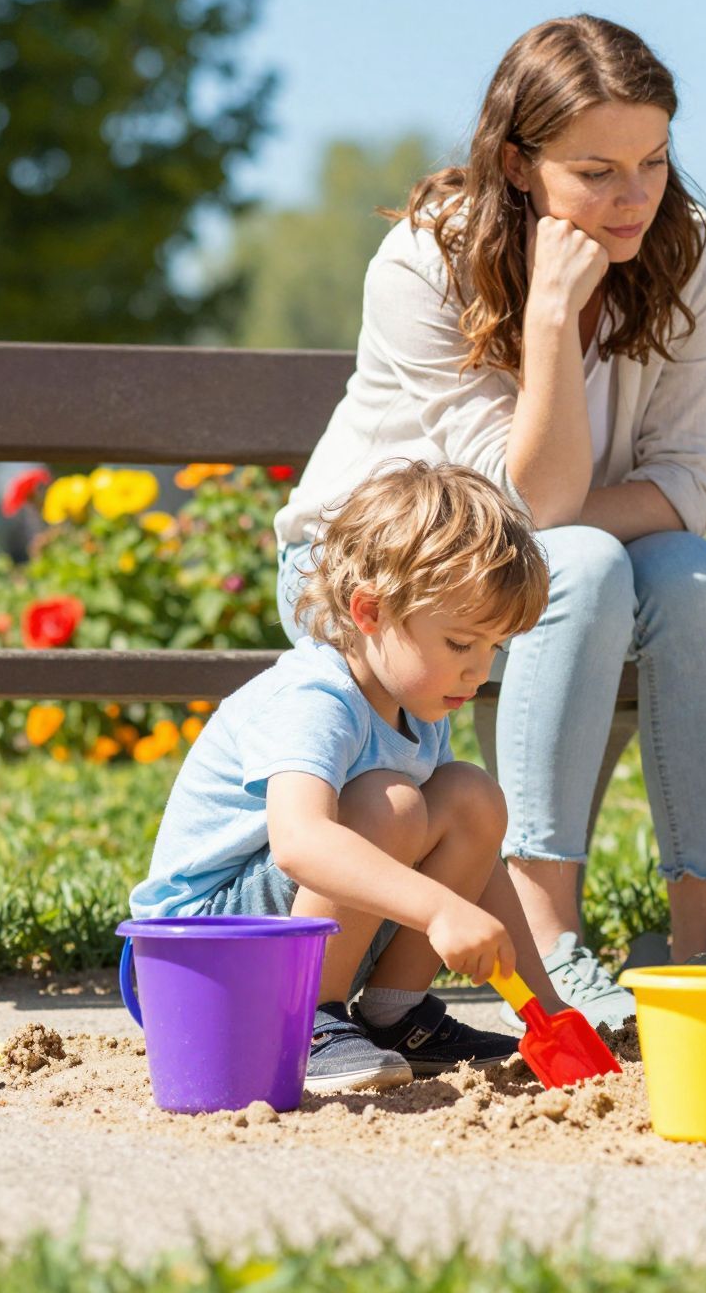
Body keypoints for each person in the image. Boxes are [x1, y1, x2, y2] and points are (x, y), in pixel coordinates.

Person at [275, 15, 706, 1032]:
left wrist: (580, 520)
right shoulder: (425, 261)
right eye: (596, 172)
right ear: (517, 163)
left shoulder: (683, 247)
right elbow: (525, 512)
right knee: (577, 561)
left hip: (564, 558)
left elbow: (695, 479)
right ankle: (550, 935)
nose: (634, 197)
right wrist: (547, 320)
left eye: (653, 161)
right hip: (371, 578)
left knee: (693, 577)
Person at [133, 461, 559, 1093]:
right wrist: (439, 909)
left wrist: (545, 1006)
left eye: (494, 648)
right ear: (369, 611)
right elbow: (299, 842)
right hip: (195, 954)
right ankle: (307, 1020)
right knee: (392, 805)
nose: (479, 671)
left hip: (277, 941)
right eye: (460, 644)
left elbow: (476, 861)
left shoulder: (417, 703)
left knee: (470, 797)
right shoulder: (316, 698)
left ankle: (395, 1017)